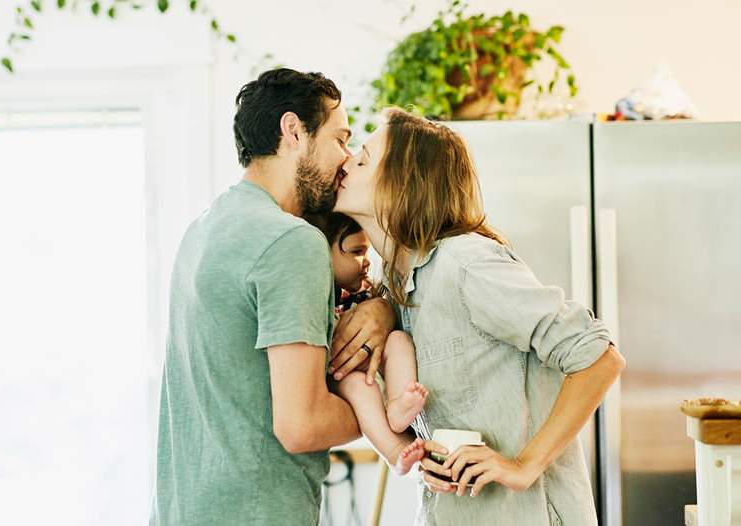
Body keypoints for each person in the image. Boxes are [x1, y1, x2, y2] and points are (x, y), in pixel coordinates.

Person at [332, 107, 626, 525]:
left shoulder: (464, 263)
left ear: (402, 186)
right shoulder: (397, 289)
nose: (347, 163)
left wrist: (522, 465)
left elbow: (599, 358)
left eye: (362, 160)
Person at [149, 69, 396, 526]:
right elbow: (302, 426)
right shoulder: (290, 242)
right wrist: (381, 406)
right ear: (293, 131)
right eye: (340, 139)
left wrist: (380, 308)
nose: (345, 159)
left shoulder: (203, 229)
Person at [312, 212, 428, 475]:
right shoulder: (320, 297)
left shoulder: (369, 290)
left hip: (378, 366)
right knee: (359, 387)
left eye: (366, 251)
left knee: (399, 340)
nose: (366, 262)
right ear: (322, 255)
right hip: (347, 374)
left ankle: (399, 404)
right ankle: (394, 451)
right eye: (356, 252)